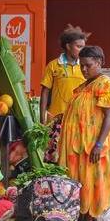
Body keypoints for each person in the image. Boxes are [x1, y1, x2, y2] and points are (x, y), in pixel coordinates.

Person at [58, 45, 110, 221]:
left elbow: (109, 116)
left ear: (100, 62)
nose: (84, 69)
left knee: (94, 184)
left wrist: (99, 144)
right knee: (80, 184)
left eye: (88, 65)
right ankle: (80, 219)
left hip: (95, 148)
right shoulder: (83, 87)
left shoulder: (106, 85)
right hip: (79, 148)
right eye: (81, 66)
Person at [41, 25, 88, 163]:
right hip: (56, 120)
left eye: (83, 47)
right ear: (68, 46)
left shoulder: (85, 67)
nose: (82, 50)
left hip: (79, 119)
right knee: (54, 157)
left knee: (74, 157)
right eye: (78, 46)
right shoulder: (53, 65)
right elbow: (45, 92)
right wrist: (42, 118)